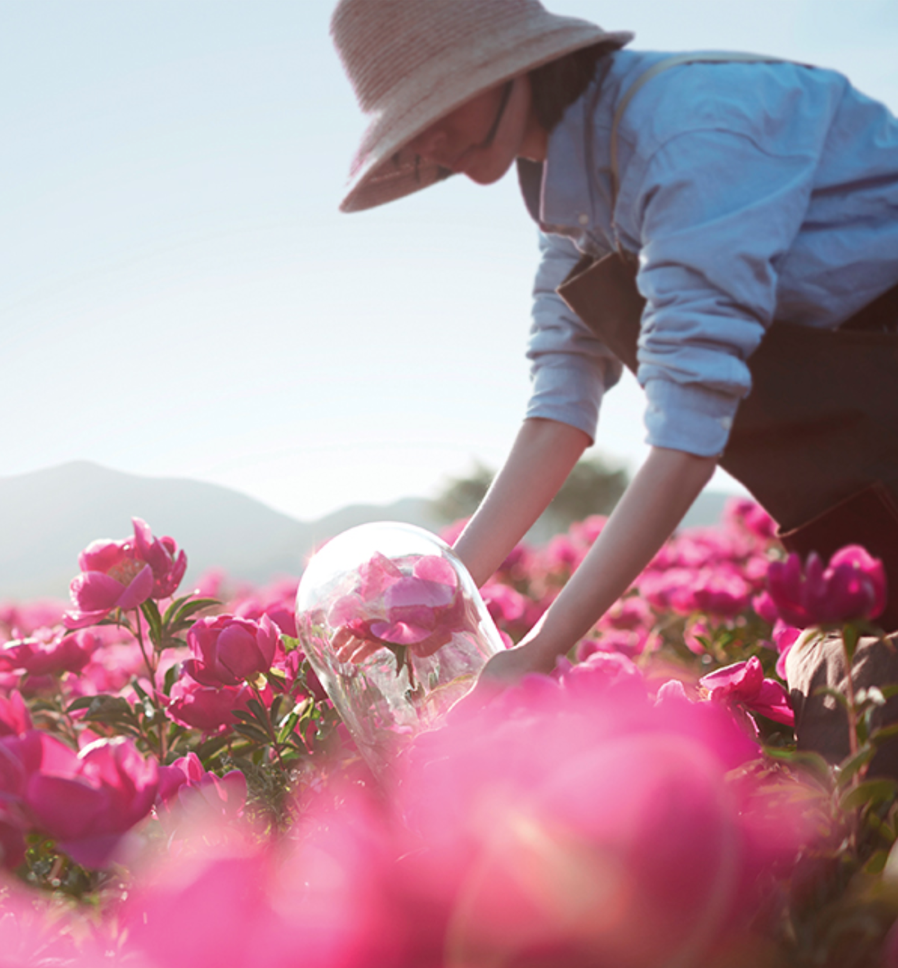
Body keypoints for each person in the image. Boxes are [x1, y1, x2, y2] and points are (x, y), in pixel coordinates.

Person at [329, 0, 898, 690]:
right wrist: (439, 595)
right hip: (856, 471)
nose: (431, 138)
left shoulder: (688, 130)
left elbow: (690, 424)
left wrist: (540, 648)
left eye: (442, 101)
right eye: (413, 124)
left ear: (516, 62)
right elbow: (558, 412)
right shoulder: (565, 199)